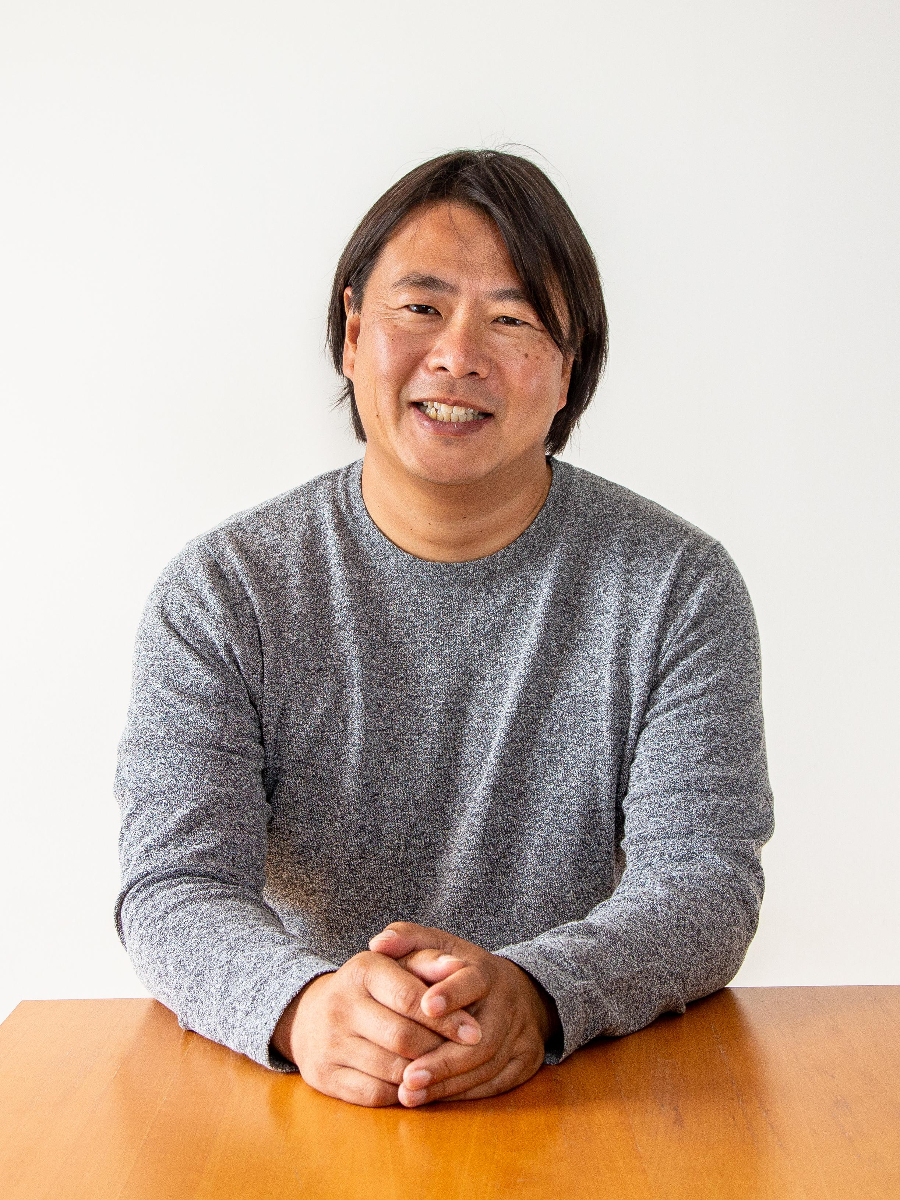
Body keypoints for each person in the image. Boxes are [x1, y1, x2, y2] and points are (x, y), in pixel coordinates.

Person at [115, 149, 774, 1109]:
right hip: (306, 1097)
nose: (457, 356)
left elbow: (704, 881)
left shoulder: (677, 587)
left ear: (569, 369)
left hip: (581, 1088)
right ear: (353, 334)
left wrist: (537, 994)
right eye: (420, 307)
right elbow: (173, 886)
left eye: (512, 319)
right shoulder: (224, 594)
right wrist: (304, 1007)